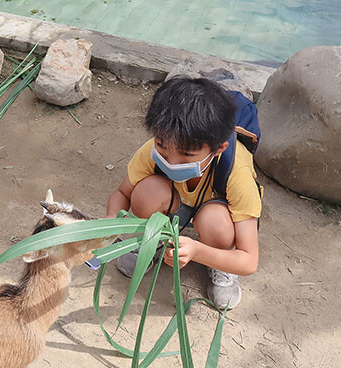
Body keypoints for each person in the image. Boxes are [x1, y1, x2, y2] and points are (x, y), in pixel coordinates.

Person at [105, 77, 262, 311]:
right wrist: (110, 225)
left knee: (214, 222)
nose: (171, 160)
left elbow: (249, 260)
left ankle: (219, 260)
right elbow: (122, 193)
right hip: (175, 202)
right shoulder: (154, 150)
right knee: (147, 192)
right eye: (162, 146)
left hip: (215, 212)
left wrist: (197, 251)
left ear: (219, 148)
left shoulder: (236, 170)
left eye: (187, 155)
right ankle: (155, 240)